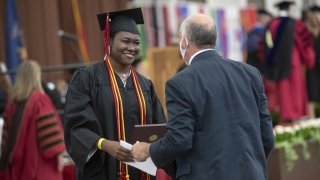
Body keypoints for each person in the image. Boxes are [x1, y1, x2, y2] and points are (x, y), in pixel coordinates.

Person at [132, 13, 275, 180]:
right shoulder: (250, 73)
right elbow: (267, 137)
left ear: (185, 41)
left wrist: (147, 150)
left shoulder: (180, 83)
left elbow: (179, 140)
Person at [63, 8, 167, 180]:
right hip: (103, 171)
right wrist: (103, 144)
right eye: (125, 41)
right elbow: (76, 126)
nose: (131, 48)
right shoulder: (87, 78)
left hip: (141, 173)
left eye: (136, 42)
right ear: (109, 40)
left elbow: (159, 127)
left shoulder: (145, 84)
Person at [0, 60, 66, 180]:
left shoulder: (12, 103)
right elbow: (51, 139)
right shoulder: (40, 100)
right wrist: (59, 155)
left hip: (17, 163)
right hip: (39, 163)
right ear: (37, 76)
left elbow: (5, 139)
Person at [263, 0, 315, 123]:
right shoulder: (296, 24)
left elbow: (266, 46)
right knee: (295, 88)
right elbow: (305, 43)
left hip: (278, 64)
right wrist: (309, 59)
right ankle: (296, 116)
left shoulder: (271, 25)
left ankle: (285, 117)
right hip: (293, 61)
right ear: (289, 9)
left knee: (283, 90)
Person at [305, 5, 320, 118]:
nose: (315, 20)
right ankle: (312, 119)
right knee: (311, 91)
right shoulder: (306, 31)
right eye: (313, 17)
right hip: (311, 66)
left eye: (317, 17)